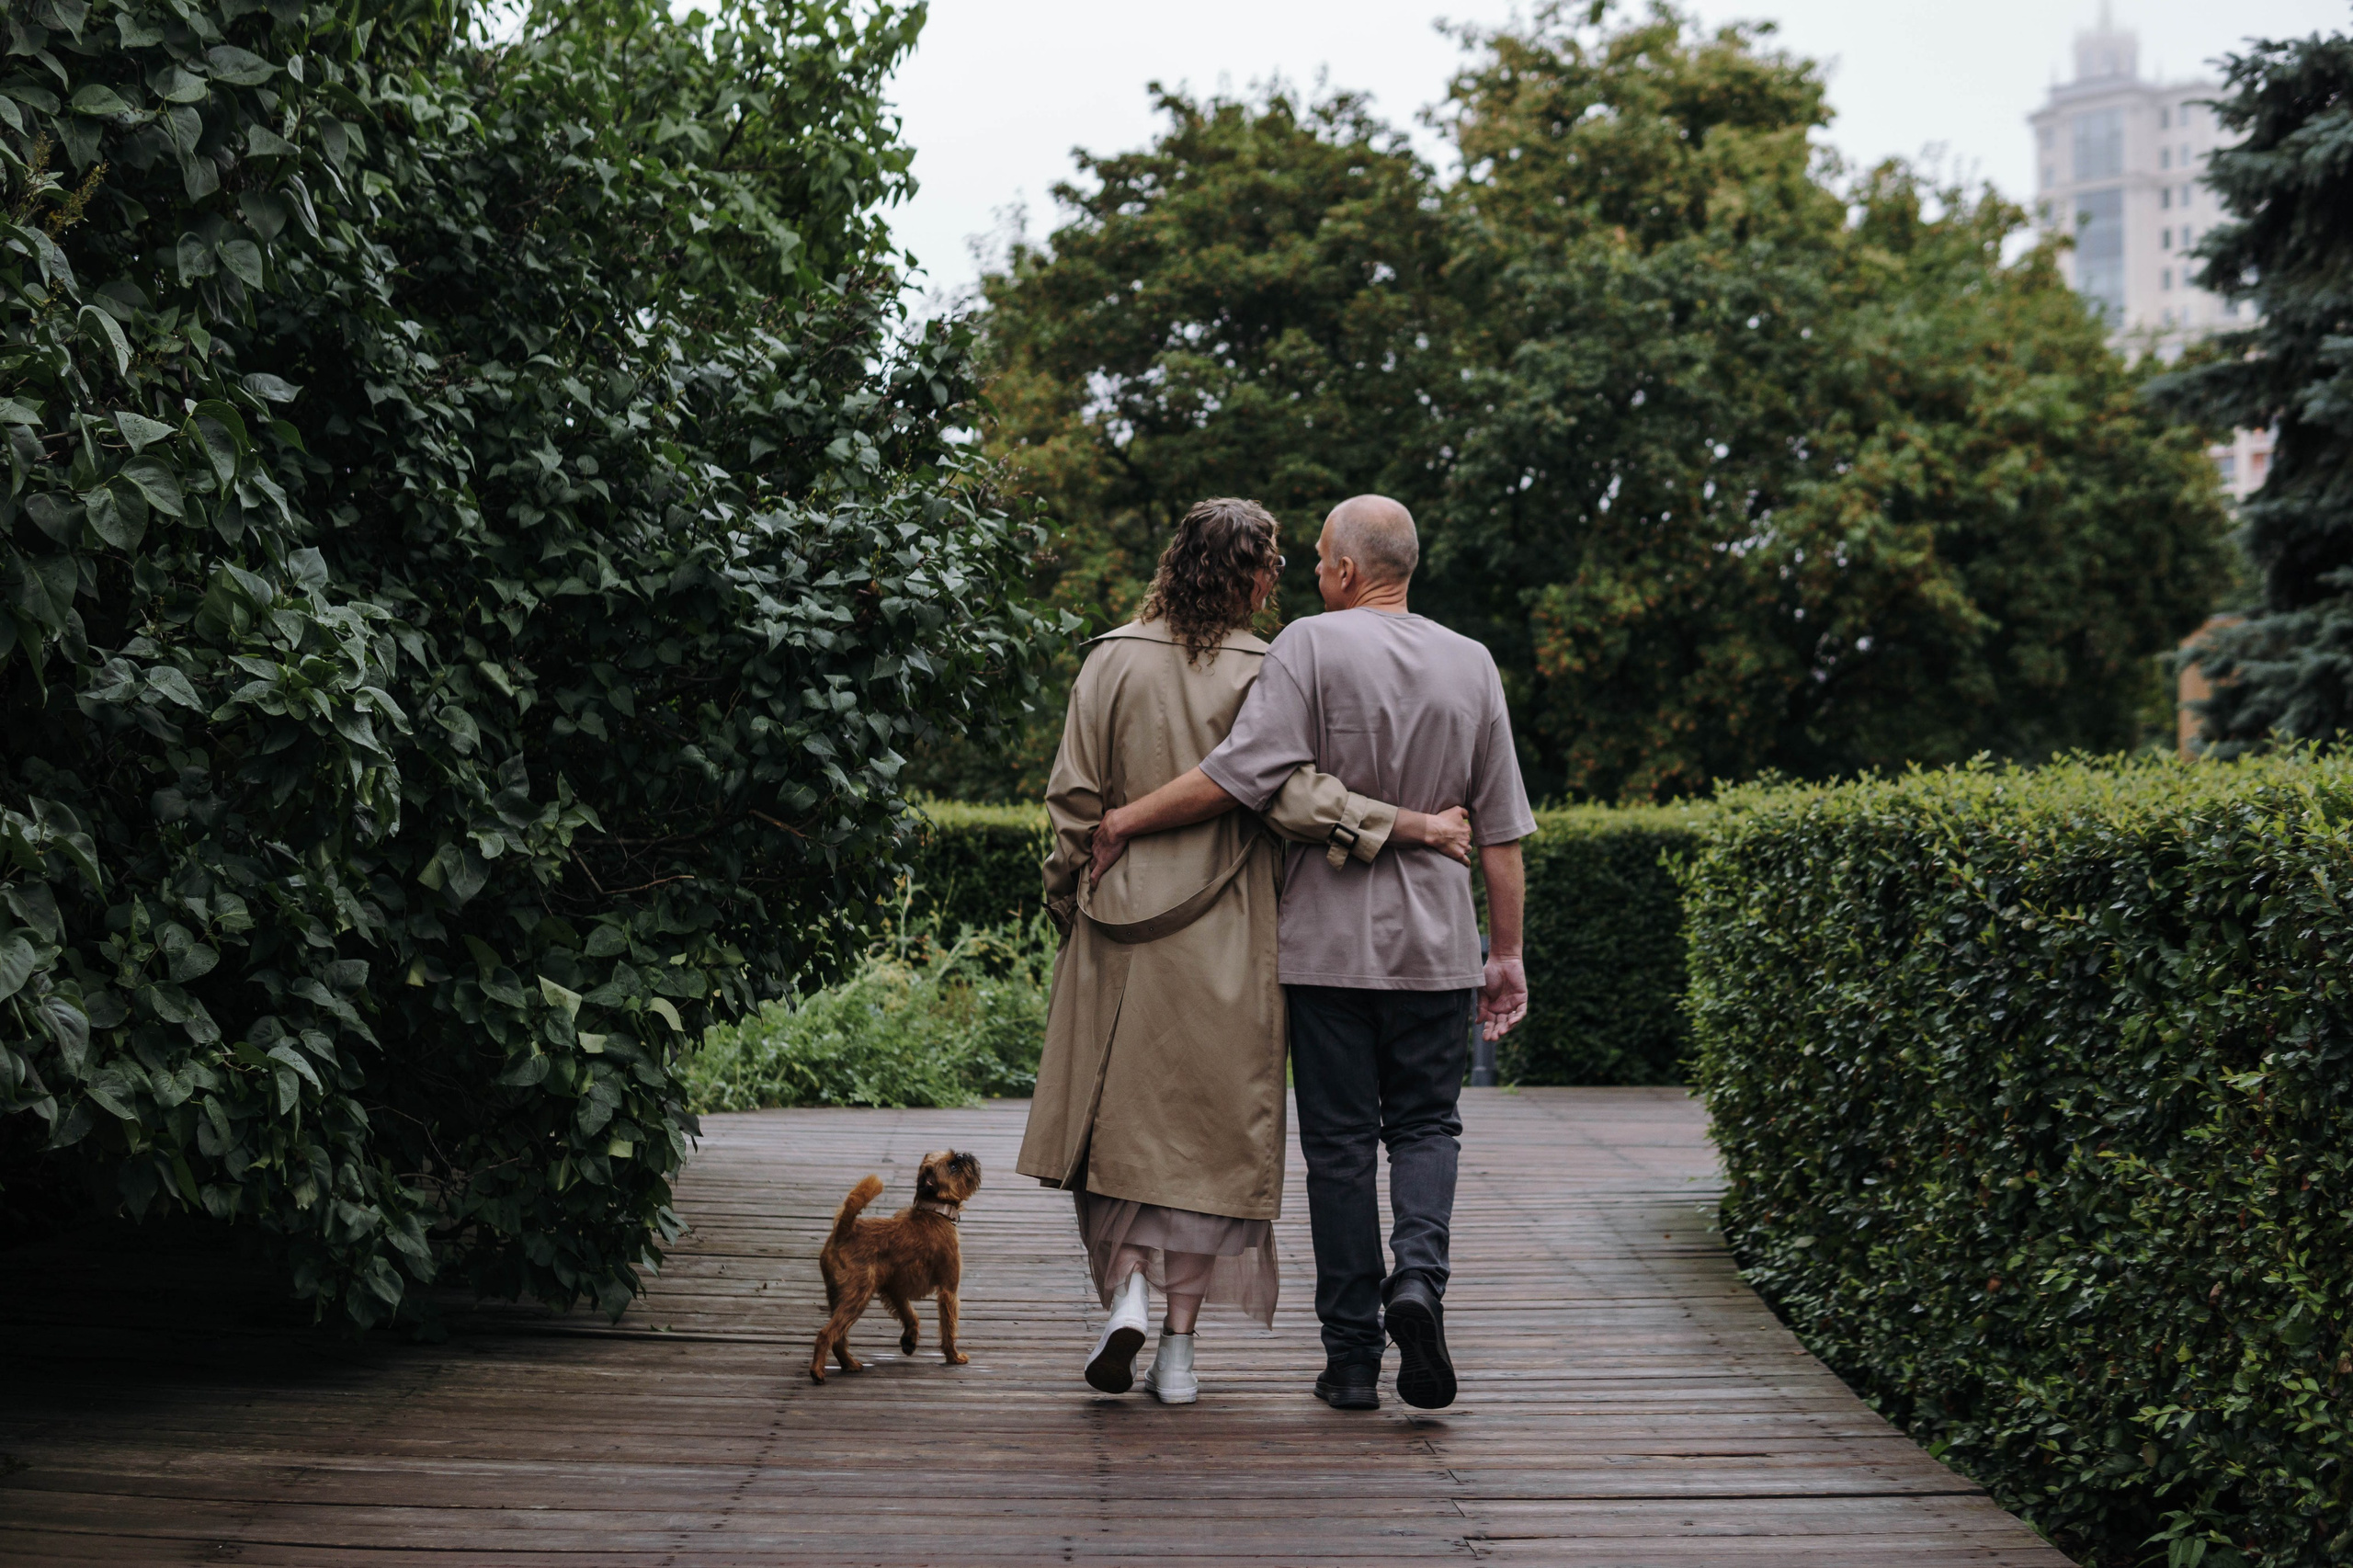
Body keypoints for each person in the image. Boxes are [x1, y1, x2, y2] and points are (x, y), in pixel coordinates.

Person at [1017, 497, 1473, 1405]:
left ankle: (1129, 1297)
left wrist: (1068, 895)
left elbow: (1072, 803)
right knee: (1205, 1146)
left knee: (1114, 1131)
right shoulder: (1271, 667)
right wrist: (1404, 826)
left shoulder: (1108, 660)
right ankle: (1178, 1351)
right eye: (1275, 567)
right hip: (1230, 936)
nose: (1283, 581)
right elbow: (1292, 795)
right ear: (1252, 574)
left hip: (1116, 933)